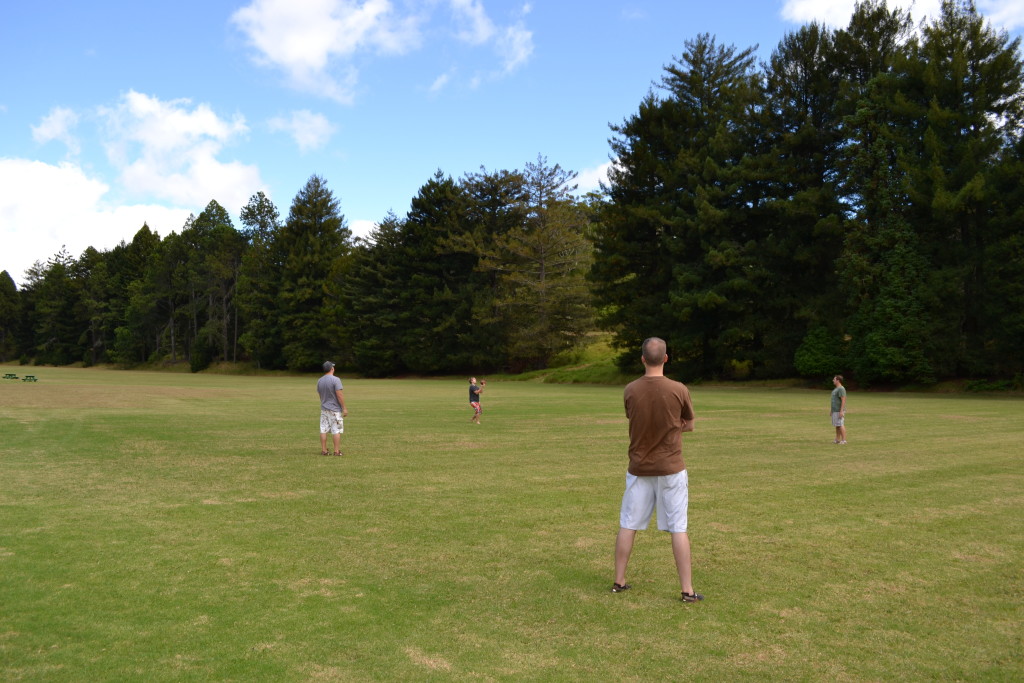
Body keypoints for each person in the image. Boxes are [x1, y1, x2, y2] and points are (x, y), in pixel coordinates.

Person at [612, 337, 703, 603]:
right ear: (665, 359)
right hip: (671, 467)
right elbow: (690, 424)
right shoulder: (679, 389)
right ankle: (686, 590)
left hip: (639, 467)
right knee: (678, 528)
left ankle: (619, 580)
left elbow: (635, 420)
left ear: (642, 358)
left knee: (628, 523)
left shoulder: (630, 389)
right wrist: (673, 428)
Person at [317, 361, 348, 456]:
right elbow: (339, 394)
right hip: (334, 409)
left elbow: (320, 395)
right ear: (332, 369)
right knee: (336, 430)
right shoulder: (336, 380)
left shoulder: (319, 380)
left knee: (323, 429)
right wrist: (344, 408)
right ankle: (336, 451)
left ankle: (324, 450)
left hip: (324, 408)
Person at [831, 375, 847, 445]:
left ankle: (844, 440)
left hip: (839, 410)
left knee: (840, 424)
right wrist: (831, 410)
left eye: (834, 379)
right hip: (835, 410)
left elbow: (843, 400)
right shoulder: (836, 389)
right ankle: (837, 439)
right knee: (837, 425)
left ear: (838, 380)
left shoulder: (841, 389)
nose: (833, 380)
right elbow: (834, 400)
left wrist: (841, 411)